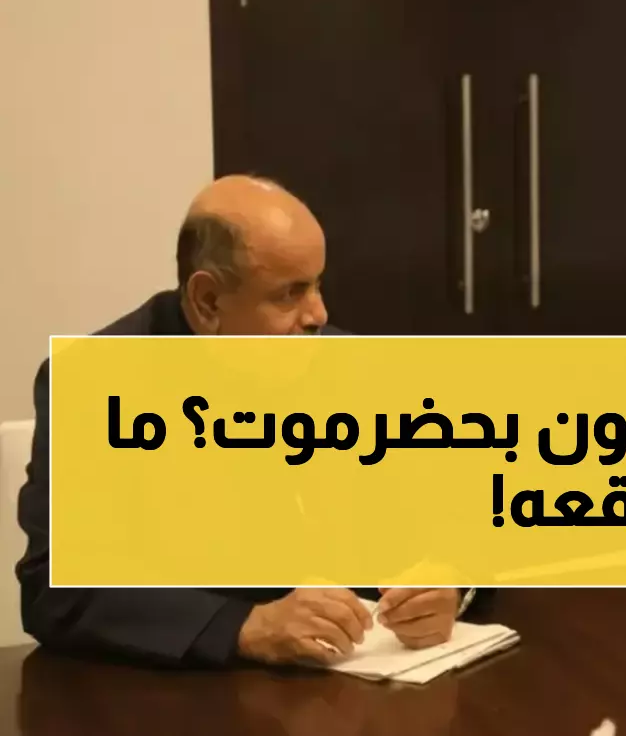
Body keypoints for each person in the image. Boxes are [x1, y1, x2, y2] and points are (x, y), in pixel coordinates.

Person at [17, 175, 482, 668]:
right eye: (289, 294)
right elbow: (56, 589)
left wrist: (450, 581)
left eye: (318, 284)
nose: (319, 313)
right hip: (188, 694)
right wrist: (243, 626)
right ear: (208, 302)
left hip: (364, 676)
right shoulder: (94, 384)